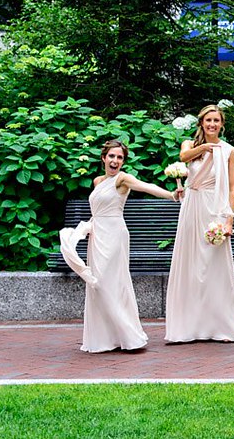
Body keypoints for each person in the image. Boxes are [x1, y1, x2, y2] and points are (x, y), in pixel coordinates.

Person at [59, 139, 180, 352]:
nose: (115, 161)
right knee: (97, 286)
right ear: (103, 158)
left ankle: (129, 336)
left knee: (109, 283)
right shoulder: (97, 181)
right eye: (112, 156)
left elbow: (146, 187)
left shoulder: (122, 179)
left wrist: (171, 195)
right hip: (97, 237)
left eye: (120, 157)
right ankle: (107, 339)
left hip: (115, 236)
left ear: (123, 161)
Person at [164, 105, 234, 343]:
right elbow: (183, 158)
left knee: (214, 265)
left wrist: (229, 219)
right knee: (191, 264)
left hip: (215, 207)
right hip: (192, 206)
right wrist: (206, 148)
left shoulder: (229, 151)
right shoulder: (190, 145)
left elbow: (232, 188)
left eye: (216, 121)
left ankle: (221, 326)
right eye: (208, 120)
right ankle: (188, 327)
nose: (212, 124)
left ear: (222, 124)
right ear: (201, 123)